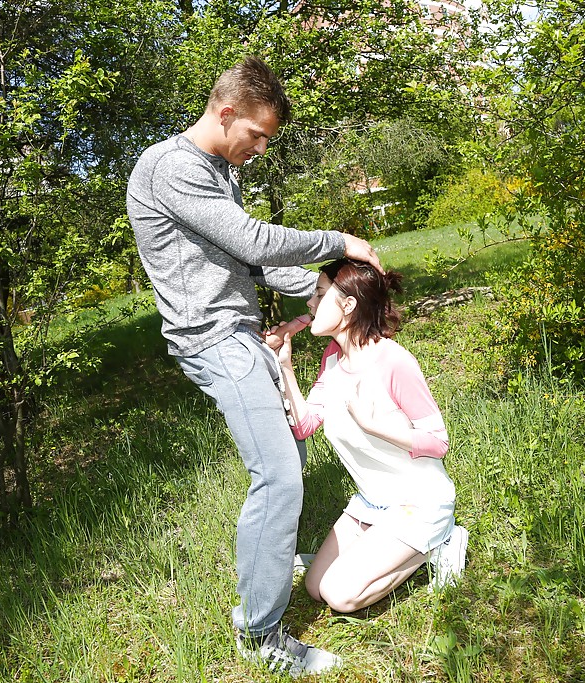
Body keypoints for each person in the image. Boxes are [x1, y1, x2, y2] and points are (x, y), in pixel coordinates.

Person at [126, 56, 382, 677]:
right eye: (258, 135)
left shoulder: (218, 169)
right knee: (280, 477)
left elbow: (256, 264)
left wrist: (325, 293)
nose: (261, 149)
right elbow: (252, 241)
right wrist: (337, 244)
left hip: (242, 331)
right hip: (212, 338)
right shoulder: (171, 168)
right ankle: (262, 633)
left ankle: (272, 555)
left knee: (288, 456)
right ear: (226, 112)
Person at [271, 258, 468, 613]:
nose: (310, 305)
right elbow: (304, 425)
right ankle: (377, 550)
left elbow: (438, 442)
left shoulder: (393, 361)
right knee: (315, 588)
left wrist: (374, 424)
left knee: (339, 595)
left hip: (419, 503)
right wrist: (284, 365)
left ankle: (441, 541)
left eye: (318, 294)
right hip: (372, 502)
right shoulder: (332, 359)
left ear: (348, 305)